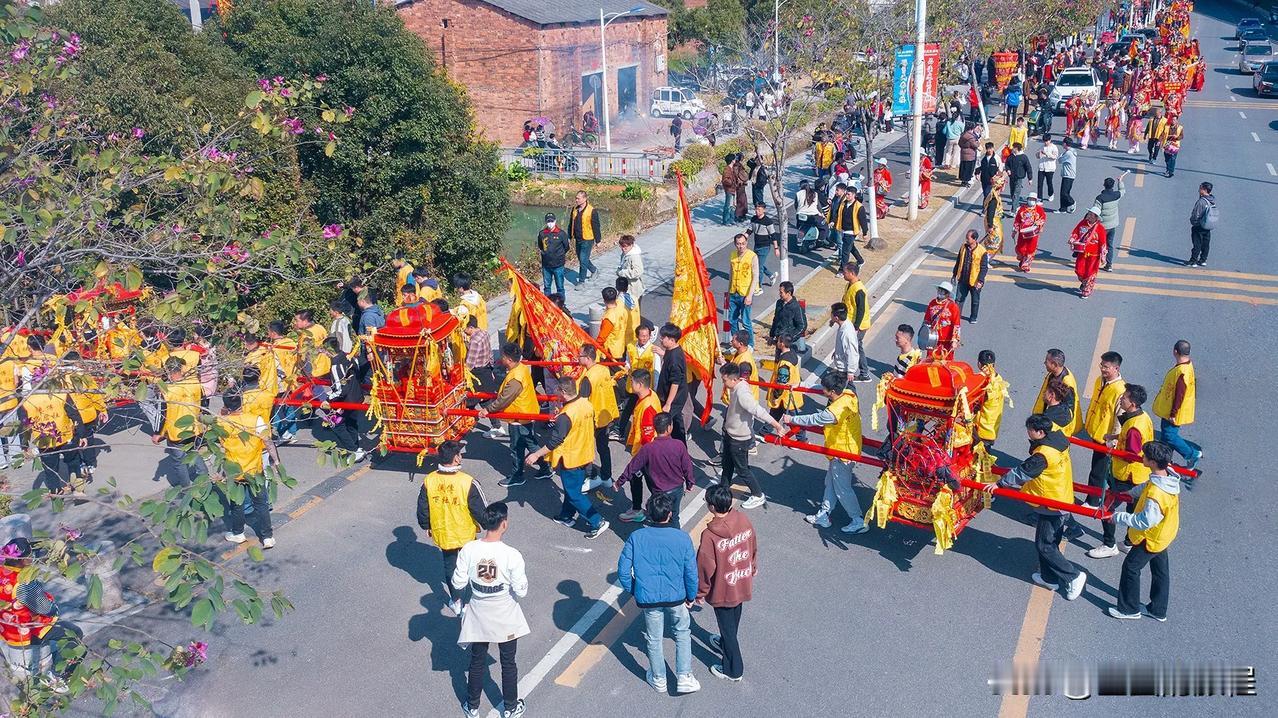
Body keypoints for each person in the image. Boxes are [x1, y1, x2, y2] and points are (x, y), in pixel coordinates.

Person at [982, 414, 1088, 601]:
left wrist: (999, 484)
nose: (1027, 433)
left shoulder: (1043, 455)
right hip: (1060, 493)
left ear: (1040, 432)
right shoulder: (1057, 436)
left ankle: (1073, 576)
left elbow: (1023, 471)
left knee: (1044, 545)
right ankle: (1049, 578)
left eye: (1030, 430)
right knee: (1050, 541)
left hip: (1051, 501)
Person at [617, 492, 700, 695]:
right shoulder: (682, 537)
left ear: (648, 514)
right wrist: (691, 595)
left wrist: (635, 590)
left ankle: (658, 678)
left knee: (653, 639)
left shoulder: (636, 537)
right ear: (670, 514)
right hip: (677, 597)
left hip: (649, 599)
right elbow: (691, 572)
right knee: (682, 633)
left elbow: (623, 571)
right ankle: (684, 676)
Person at [455, 502, 529, 718]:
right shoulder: (512, 555)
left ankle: (472, 706)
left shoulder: (469, 549)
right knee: (508, 662)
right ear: (504, 524)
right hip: (504, 611)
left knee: (477, 660)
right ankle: (510, 706)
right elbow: (521, 591)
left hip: (479, 609)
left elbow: (458, 582)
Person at [785, 370, 868, 535]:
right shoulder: (848, 394)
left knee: (842, 489)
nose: (822, 391)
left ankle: (858, 520)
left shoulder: (834, 411)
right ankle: (824, 514)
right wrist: (800, 385)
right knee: (830, 483)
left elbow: (814, 419)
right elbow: (820, 387)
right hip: (846, 449)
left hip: (842, 453)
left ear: (833, 392)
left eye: (825, 390)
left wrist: (792, 419)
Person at [526, 380, 610, 539]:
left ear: (563, 392)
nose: (555, 393)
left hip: (571, 459)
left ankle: (597, 521)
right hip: (585, 454)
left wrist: (536, 454)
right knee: (572, 489)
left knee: (574, 494)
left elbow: (555, 441)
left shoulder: (566, 416)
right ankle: (566, 516)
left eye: (557, 390)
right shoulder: (585, 404)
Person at [1106, 441, 1179, 622]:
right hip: (1164, 535)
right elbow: (1146, 486)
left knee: (1131, 568)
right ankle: (1158, 609)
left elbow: (1144, 521)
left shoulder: (1156, 493)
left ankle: (1129, 609)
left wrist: (1117, 517)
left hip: (1150, 538)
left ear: (1153, 462)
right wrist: (1130, 493)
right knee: (1160, 571)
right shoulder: (1167, 477)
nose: (1142, 457)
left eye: (1145, 456)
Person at [417, 440, 486, 616]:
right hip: (465, 534)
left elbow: (422, 507)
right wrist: (488, 525)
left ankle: (456, 601)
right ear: (456, 459)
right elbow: (479, 509)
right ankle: (477, 598)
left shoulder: (430, 480)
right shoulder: (467, 482)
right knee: (471, 566)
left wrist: (426, 525)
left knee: (450, 568)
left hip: (444, 533)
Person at [696, 484, 757, 683]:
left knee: (728, 629)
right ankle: (723, 641)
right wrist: (752, 567)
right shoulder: (743, 520)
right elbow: (752, 545)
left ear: (712, 507)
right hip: (742, 579)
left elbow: (705, 568)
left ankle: (733, 669)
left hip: (723, 589)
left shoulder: (709, 535)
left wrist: (700, 593)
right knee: (734, 619)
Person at [1088, 384, 1154, 559]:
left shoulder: (1133, 428)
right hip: (1139, 475)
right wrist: (1115, 437)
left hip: (1126, 476)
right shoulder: (1142, 416)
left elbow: (1132, 454)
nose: (1121, 399)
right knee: (1133, 509)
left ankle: (1109, 544)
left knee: (1106, 507)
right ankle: (1128, 542)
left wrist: (1112, 449)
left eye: (1124, 397)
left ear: (1132, 403)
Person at [215, 390, 280, 549]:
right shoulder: (255, 420)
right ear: (242, 403)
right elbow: (267, 441)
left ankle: (238, 533)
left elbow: (221, 443)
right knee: (261, 504)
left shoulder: (221, 423)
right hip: (254, 470)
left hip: (234, 470)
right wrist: (276, 460)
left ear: (225, 405)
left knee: (236, 504)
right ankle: (267, 537)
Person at [478, 343, 549, 488]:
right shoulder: (521, 368)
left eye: (503, 357)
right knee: (530, 443)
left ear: (509, 359)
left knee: (517, 448)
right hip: (525, 413)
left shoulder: (515, 378)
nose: (501, 359)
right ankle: (545, 468)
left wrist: (488, 410)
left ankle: (517, 476)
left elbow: (504, 399)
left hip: (518, 415)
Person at [719, 362, 784, 510]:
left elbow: (758, 411)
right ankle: (723, 490)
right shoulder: (738, 384)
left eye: (724, 380)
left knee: (742, 469)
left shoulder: (742, 393)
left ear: (734, 379)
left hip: (739, 438)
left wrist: (777, 425)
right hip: (731, 434)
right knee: (727, 464)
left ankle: (758, 495)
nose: (723, 383)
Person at [615, 411, 695, 522]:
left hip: (659, 493)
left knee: (659, 519)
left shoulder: (648, 449)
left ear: (655, 428)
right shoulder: (679, 445)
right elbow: (687, 466)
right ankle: (676, 535)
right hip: (677, 490)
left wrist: (619, 482)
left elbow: (632, 467)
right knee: (675, 517)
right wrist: (690, 482)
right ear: (669, 428)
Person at [150, 356, 208, 487]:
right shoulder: (194, 384)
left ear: (168, 370)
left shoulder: (166, 390)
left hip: (177, 432)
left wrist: (157, 432)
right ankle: (205, 481)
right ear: (181, 368)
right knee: (194, 453)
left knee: (179, 462)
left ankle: (186, 489)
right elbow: (204, 404)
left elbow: (161, 414)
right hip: (194, 428)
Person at [1082, 351, 1125, 504]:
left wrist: (1112, 441)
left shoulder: (1120, 390)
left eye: (1106, 367)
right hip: (1096, 432)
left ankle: (1093, 502)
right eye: (1102, 365)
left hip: (1105, 439)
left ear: (1116, 368)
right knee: (1097, 468)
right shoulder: (1101, 380)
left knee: (1098, 472)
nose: (1102, 369)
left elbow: (1118, 421)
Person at [1152, 339, 1200, 468]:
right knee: (1165, 437)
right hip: (1172, 409)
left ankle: (1191, 454)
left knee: (1169, 435)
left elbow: (1180, 394)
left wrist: (1173, 413)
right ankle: (1163, 459)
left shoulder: (1181, 372)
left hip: (1172, 411)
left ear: (1175, 351)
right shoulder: (1187, 366)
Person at [577, 345, 618, 491]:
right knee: (603, 448)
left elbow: (583, 400)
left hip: (592, 418)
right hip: (605, 414)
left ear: (587, 358)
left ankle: (592, 476)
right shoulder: (603, 369)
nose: (578, 357)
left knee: (585, 447)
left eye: (580, 355)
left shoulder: (588, 377)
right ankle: (606, 476)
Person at [1031, 348, 1081, 437]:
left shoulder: (1067, 382)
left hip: (1058, 428)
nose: (1044, 363)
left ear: (1054, 364)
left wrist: (1048, 419)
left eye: (1047, 361)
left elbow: (1068, 410)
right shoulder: (1053, 374)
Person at [654, 323, 690, 442]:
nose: (661, 339)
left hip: (674, 398)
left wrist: (668, 404)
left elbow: (675, 383)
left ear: (672, 340)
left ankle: (678, 448)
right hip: (671, 396)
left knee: (673, 425)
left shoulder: (675, 359)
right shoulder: (672, 350)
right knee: (676, 421)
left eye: (663, 337)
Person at [839, 263, 872, 381]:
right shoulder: (849, 285)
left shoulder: (859, 290)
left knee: (856, 347)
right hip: (850, 322)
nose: (843, 274)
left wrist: (856, 327)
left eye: (845, 272)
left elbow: (861, 309)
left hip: (859, 325)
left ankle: (864, 373)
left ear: (852, 274)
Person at [1069, 205, 1108, 298]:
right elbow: (1075, 232)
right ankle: (1084, 282)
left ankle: (1087, 290)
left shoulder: (1100, 228)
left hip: (1094, 255)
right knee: (1079, 270)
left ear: (1096, 217)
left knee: (1090, 272)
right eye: (1089, 214)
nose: (1089, 216)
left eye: (1091, 215)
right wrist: (1072, 239)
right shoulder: (1082, 223)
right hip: (1082, 252)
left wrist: (1103, 256)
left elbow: (1103, 243)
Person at [726, 233, 758, 345]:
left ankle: (750, 345)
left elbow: (755, 277)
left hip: (745, 294)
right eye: (738, 244)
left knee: (746, 322)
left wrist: (749, 296)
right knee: (732, 320)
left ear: (746, 243)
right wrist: (729, 290)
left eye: (743, 244)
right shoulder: (733, 255)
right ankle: (737, 343)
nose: (741, 246)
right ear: (735, 244)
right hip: (733, 292)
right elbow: (731, 274)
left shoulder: (752, 256)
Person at [952, 229, 989, 323]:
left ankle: (973, 317)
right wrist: (954, 275)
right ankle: (956, 317)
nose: (966, 240)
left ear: (974, 239)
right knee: (958, 300)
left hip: (975, 281)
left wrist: (980, 281)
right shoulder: (963, 247)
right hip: (963, 279)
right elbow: (958, 262)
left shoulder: (982, 252)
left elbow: (984, 268)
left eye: (968, 238)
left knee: (975, 301)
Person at [974, 350, 1009, 450]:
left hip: (981, 431)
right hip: (992, 429)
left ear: (979, 364)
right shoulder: (998, 379)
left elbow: (975, 404)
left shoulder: (986, 384)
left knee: (979, 460)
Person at [1093, 174, 1126, 271]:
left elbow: (1096, 211)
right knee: (1110, 244)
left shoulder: (1100, 198)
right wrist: (1120, 181)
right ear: (1112, 186)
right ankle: (1109, 264)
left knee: (1098, 244)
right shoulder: (1116, 195)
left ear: (1104, 185)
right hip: (1113, 225)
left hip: (1102, 227)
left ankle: (1095, 262)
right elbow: (1123, 191)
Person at [568, 191, 601, 285]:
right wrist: (570, 236)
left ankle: (581, 282)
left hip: (588, 238)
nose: (576, 200)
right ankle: (594, 270)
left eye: (578, 198)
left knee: (583, 259)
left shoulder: (591, 211)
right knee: (582, 258)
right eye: (576, 198)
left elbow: (596, 226)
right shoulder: (574, 209)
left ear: (584, 199)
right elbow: (571, 223)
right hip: (578, 238)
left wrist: (598, 240)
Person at [922, 282, 961, 358]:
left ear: (947, 294)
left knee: (946, 362)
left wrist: (955, 340)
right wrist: (924, 335)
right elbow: (926, 320)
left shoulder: (953, 306)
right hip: (932, 338)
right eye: (940, 290)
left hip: (947, 341)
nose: (940, 292)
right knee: (930, 360)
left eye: (943, 291)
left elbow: (956, 324)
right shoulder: (932, 303)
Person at [767, 281, 807, 352]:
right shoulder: (779, 303)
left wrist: (789, 338)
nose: (779, 294)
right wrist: (771, 335)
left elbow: (802, 326)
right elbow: (775, 320)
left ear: (788, 293)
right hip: (779, 341)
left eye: (781, 292)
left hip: (790, 344)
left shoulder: (796, 307)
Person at [746, 204, 780, 286]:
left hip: (765, 247)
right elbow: (749, 231)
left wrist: (776, 248)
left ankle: (758, 286)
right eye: (756, 210)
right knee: (757, 264)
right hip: (756, 245)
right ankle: (771, 275)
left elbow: (773, 235)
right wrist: (742, 239)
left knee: (759, 267)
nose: (757, 211)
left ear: (764, 210)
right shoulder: (754, 219)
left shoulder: (768, 221)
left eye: (759, 210)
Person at [537, 212, 570, 296]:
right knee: (547, 287)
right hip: (546, 266)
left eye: (552, 221)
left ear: (555, 221)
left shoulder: (561, 234)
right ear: (545, 222)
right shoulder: (542, 234)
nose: (550, 223)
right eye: (548, 221)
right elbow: (540, 246)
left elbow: (566, 247)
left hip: (558, 265)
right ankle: (547, 305)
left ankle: (561, 305)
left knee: (560, 287)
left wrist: (559, 255)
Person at [1013, 193, 1047, 272]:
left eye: (1033, 199)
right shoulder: (1022, 209)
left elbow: (1043, 218)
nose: (1031, 201)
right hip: (1023, 233)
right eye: (1030, 199)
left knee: (1031, 249)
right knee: (1020, 248)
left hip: (1033, 233)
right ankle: (1022, 258)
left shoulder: (1039, 209)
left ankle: (1026, 265)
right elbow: (1017, 220)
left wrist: (1039, 223)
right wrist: (1015, 229)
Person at [596, 287, 628, 362]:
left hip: (612, 352)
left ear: (604, 300)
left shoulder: (609, 318)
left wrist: (593, 347)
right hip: (621, 344)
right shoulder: (621, 305)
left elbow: (602, 338)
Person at [1187, 181, 1215, 267]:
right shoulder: (1212, 200)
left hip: (1199, 226)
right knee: (1206, 244)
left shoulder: (1201, 202)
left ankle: (1193, 261)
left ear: (1204, 189)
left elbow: (1196, 214)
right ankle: (1203, 260)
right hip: (1208, 225)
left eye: (1200, 187)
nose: (1199, 189)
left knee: (1197, 243)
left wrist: (1193, 222)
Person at [616, 234, 645, 298]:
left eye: (625, 246)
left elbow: (638, 272)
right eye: (622, 246)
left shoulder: (634, 256)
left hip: (633, 289)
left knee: (633, 307)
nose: (623, 249)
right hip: (626, 287)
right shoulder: (625, 253)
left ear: (631, 245)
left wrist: (621, 272)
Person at [1005, 143, 1033, 211]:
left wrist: (1030, 178)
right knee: (1012, 193)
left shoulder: (1023, 157)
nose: (1012, 148)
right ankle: (1016, 206)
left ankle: (1013, 210)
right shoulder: (1011, 156)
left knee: (1016, 193)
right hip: (1012, 177)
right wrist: (1008, 170)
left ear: (1017, 149)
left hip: (1019, 178)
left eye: (1013, 147)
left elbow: (1028, 167)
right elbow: (1007, 164)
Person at [1036, 134, 1059, 201]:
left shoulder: (1054, 147)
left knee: (1049, 182)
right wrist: (1038, 154)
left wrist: (1046, 154)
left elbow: (1055, 157)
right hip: (1041, 167)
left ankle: (1051, 194)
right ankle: (1039, 197)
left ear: (1050, 140)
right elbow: (1037, 156)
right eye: (1044, 141)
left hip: (1050, 168)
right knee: (1040, 183)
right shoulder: (1042, 147)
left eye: (1047, 141)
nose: (1045, 142)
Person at [721, 154, 742, 225]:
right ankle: (726, 220)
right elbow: (725, 180)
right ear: (731, 160)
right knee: (728, 205)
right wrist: (732, 183)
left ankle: (731, 219)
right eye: (734, 159)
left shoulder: (731, 168)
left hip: (733, 189)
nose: (735, 160)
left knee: (733, 205)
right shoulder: (727, 169)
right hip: (729, 189)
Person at [1058, 138, 1078, 213]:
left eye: (1063, 143)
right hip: (1068, 174)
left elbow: (1060, 160)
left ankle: (1072, 202)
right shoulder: (1071, 151)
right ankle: (1063, 208)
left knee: (1064, 193)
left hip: (1068, 175)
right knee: (1064, 192)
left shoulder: (1068, 153)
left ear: (1065, 144)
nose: (1062, 144)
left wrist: (1061, 155)